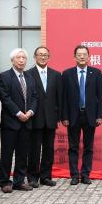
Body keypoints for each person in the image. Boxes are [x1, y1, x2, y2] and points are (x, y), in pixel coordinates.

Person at [61, 45, 102, 185]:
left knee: (88, 147)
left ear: (88, 57)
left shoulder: (96, 73)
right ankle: (74, 175)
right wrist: (64, 117)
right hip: (73, 116)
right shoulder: (67, 74)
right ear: (74, 57)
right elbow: (63, 97)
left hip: (90, 115)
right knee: (73, 147)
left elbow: (100, 96)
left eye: (84, 54)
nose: (82, 56)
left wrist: (100, 115)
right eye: (79, 54)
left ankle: (85, 174)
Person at [0, 48, 39, 192]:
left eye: (23, 58)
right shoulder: (4, 76)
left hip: (27, 121)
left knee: (23, 154)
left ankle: (19, 181)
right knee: (7, 154)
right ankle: (5, 182)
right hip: (11, 122)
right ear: (12, 60)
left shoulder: (29, 77)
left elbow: (34, 97)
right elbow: (5, 98)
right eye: (18, 57)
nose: (21, 60)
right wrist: (19, 113)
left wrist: (30, 112)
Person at [26, 46, 62, 188]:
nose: (42, 57)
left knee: (49, 149)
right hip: (35, 118)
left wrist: (60, 116)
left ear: (49, 57)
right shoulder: (28, 74)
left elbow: (59, 97)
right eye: (40, 54)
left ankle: (46, 176)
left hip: (51, 118)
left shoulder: (56, 75)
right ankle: (32, 177)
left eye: (45, 55)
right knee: (34, 150)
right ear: (35, 57)